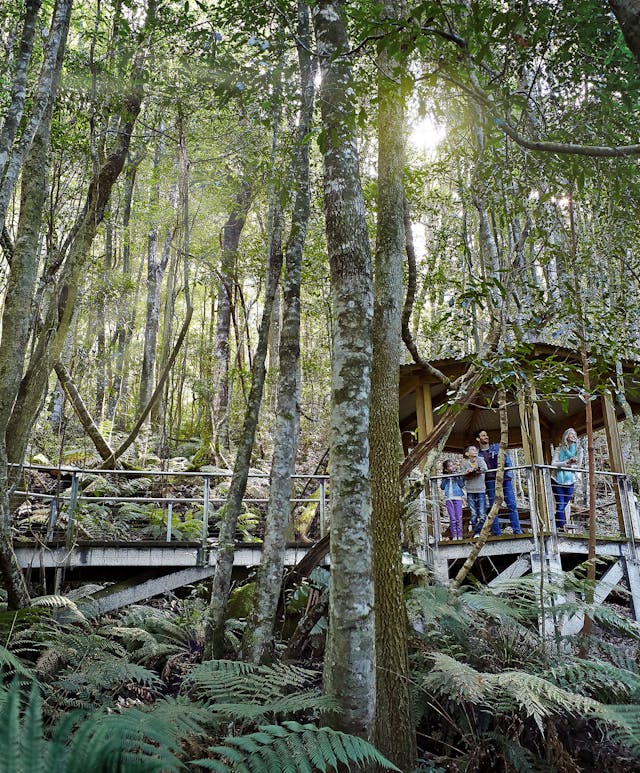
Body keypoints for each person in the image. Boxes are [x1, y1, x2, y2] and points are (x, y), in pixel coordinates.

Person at [475, 429, 523, 535]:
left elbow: (507, 460)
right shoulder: (477, 454)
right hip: (490, 481)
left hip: (504, 479)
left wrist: (509, 475)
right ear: (478, 439)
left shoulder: (496, 447)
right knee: (494, 506)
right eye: (483, 435)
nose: (486, 437)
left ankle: (517, 530)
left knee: (512, 504)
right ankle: (497, 533)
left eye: (486, 434)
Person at [552, 427, 583, 532]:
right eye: (571, 434)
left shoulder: (579, 450)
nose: (574, 436)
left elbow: (578, 466)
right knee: (560, 503)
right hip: (557, 479)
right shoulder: (559, 449)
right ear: (566, 436)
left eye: (575, 434)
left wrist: (569, 466)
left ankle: (556, 522)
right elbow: (554, 464)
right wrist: (566, 463)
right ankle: (561, 526)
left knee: (564, 503)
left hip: (570, 480)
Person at [461, 445, 488, 536]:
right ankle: (477, 532)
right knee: (473, 514)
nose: (475, 450)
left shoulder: (480, 460)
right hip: (470, 491)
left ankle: (479, 531)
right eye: (472, 449)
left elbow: (484, 469)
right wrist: (468, 472)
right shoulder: (464, 463)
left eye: (475, 449)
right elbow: (463, 475)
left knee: (482, 514)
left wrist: (476, 470)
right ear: (467, 453)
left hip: (480, 490)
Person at [440, 459, 465, 540]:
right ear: (446, 469)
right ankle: (454, 535)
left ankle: (460, 535)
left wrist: (457, 477)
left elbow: (462, 485)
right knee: (452, 518)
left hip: (458, 497)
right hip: (449, 498)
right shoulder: (445, 477)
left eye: (453, 465)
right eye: (450, 466)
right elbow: (442, 487)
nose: (452, 467)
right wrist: (446, 478)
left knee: (459, 517)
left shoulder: (458, 475)